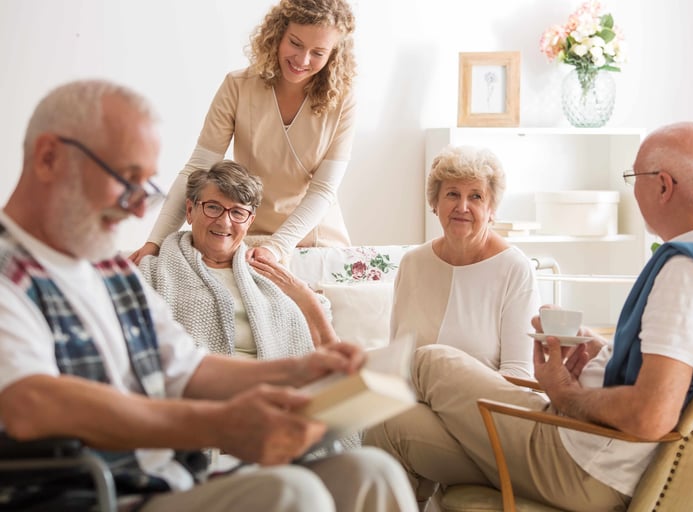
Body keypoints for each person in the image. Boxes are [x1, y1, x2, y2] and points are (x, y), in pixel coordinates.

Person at [0, 79, 416, 512]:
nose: (140, 210)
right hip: (95, 494)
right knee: (292, 493)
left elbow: (188, 368)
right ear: (49, 157)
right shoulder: (8, 270)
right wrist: (219, 426)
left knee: (369, 472)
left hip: (173, 480)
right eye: (126, 179)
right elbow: (31, 403)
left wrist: (303, 370)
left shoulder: (110, 270)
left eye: (146, 186)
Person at [364, 122, 693, 511]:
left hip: (581, 463)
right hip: (587, 455)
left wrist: (567, 396)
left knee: (430, 360)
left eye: (634, 176)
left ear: (662, 185)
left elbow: (652, 414)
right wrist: (601, 351)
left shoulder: (686, 274)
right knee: (393, 427)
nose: (633, 190)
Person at [130, 0, 357, 266]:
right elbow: (198, 167)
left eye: (318, 52)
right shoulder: (237, 87)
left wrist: (278, 247)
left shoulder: (342, 101)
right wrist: (156, 242)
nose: (303, 60)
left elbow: (324, 189)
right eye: (295, 43)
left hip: (312, 237)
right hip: (248, 232)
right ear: (277, 34)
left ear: (334, 54)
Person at [139, 160, 338, 359]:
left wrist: (303, 294)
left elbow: (329, 348)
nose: (224, 222)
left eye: (237, 212)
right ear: (190, 211)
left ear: (250, 221)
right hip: (202, 385)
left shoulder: (268, 274)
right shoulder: (155, 272)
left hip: (277, 380)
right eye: (213, 207)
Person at [391, 145, 540, 378]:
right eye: (452, 194)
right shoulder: (413, 263)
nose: (462, 207)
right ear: (435, 203)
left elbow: (518, 373)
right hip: (413, 403)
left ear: (491, 209)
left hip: (482, 409)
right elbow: (396, 359)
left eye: (475, 196)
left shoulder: (514, 269)